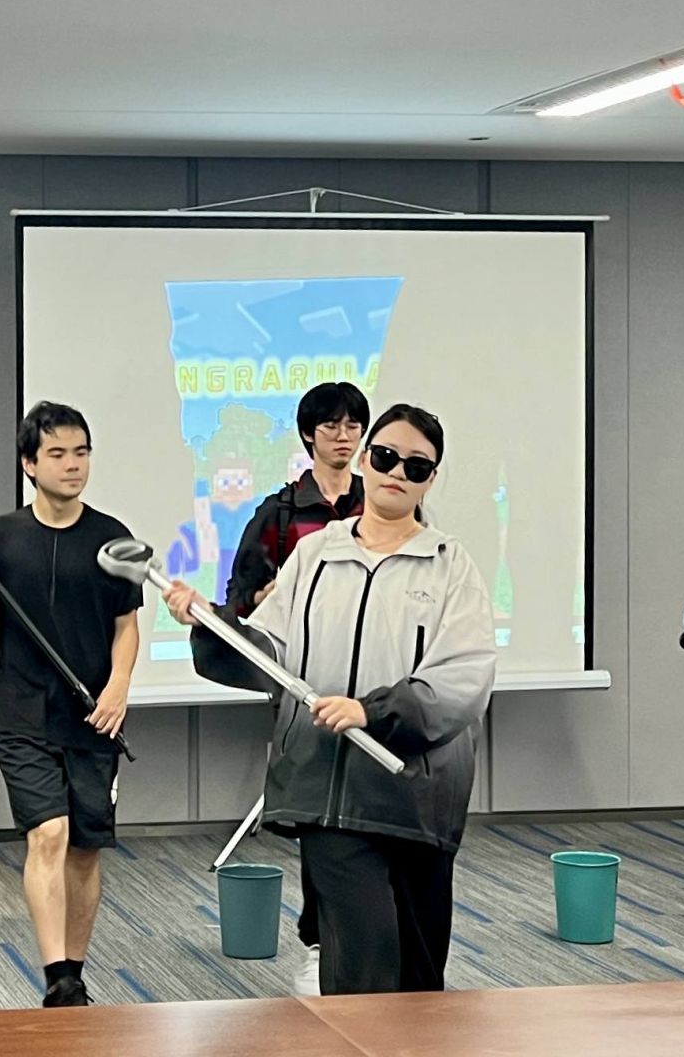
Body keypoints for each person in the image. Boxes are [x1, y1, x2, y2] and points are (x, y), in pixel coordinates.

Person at [164, 404, 495, 996]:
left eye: (416, 466)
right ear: (365, 460)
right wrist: (211, 623)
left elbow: (464, 678)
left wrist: (373, 712)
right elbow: (271, 651)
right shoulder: (316, 554)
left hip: (414, 797)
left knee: (419, 979)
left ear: (431, 479)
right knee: (362, 964)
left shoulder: (451, 566)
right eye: (386, 457)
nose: (397, 473)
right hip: (325, 792)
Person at [0, 402, 139, 1008]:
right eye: (57, 454)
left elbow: (127, 626)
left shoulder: (113, 538)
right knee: (49, 833)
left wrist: (119, 686)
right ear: (30, 464)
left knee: (84, 849)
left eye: (81, 452)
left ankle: (74, 970)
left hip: (93, 716)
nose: (72, 464)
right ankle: (57, 977)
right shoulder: (1, 536)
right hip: (22, 712)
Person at [223, 380, 368, 995]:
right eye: (330, 425)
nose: (343, 436)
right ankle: (318, 944)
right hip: (307, 684)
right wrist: (271, 594)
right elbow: (240, 601)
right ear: (309, 435)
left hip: (374, 682)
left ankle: (363, 945)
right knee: (320, 818)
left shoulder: (380, 503)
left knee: (369, 817)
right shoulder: (281, 513)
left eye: (353, 425)